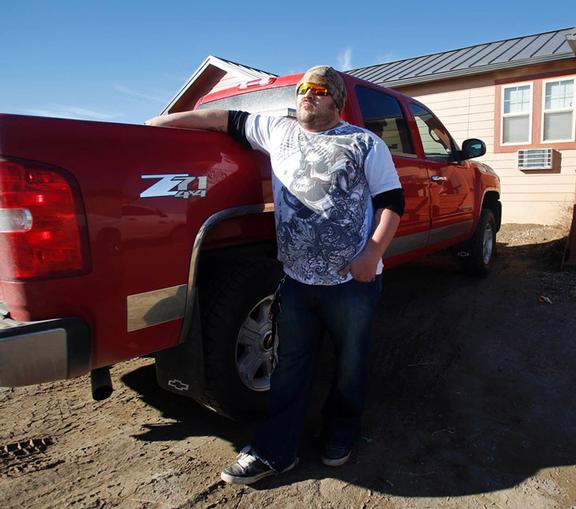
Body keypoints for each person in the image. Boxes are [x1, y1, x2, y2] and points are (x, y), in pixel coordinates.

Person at [145, 65, 404, 485]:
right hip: (297, 282)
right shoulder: (277, 130)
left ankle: (340, 434)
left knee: (350, 365)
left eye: (319, 89)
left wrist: (372, 252)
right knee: (288, 368)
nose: (308, 94)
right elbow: (222, 118)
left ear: (337, 101)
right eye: (303, 89)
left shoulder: (364, 143)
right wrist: (164, 123)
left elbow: (392, 201)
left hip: (352, 283)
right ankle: (275, 450)